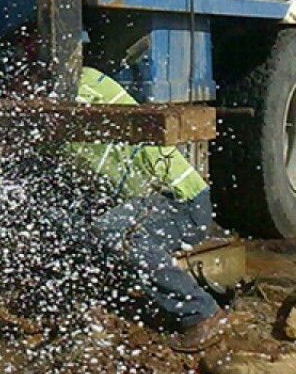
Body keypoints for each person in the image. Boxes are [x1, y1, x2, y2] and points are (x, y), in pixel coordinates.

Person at [69, 67, 227, 353]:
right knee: (75, 221)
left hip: (181, 202)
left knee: (119, 233)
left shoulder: (83, 85)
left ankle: (202, 313)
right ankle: (97, 303)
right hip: (153, 201)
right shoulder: (71, 92)